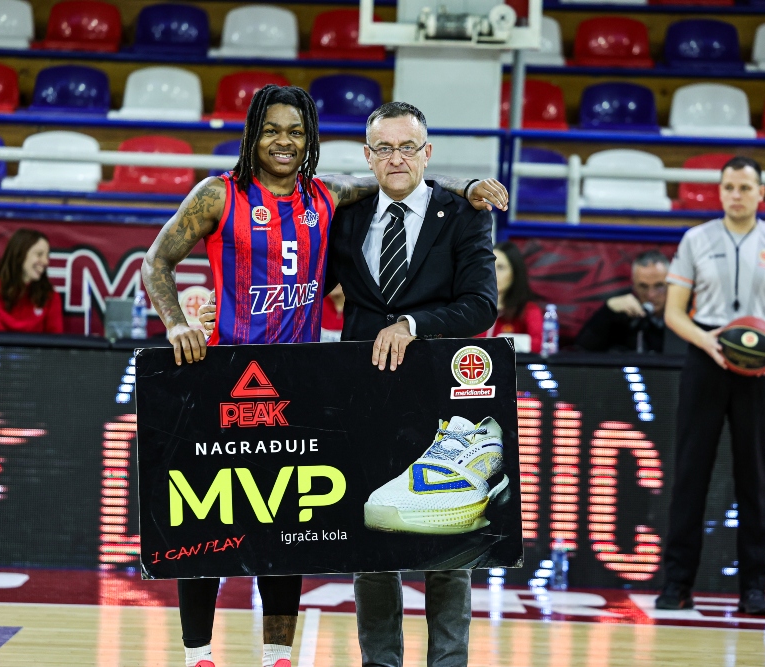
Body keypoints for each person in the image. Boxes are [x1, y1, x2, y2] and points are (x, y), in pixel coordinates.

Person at [140, 86, 508, 667]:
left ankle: (282, 657)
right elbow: (161, 260)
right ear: (253, 135)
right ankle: (201, 655)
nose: (283, 141)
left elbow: (408, 189)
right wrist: (182, 318)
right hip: (237, 374)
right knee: (211, 519)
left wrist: (465, 188)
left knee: (291, 522)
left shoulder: (333, 197)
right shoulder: (233, 195)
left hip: (323, 382)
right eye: (271, 129)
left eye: (295, 131)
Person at [324, 101, 499, 667]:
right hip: (363, 393)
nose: (395, 158)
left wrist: (413, 325)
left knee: (447, 542)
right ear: (368, 156)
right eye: (384, 148)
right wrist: (223, 308)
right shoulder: (345, 216)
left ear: (427, 153)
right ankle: (380, 661)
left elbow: (482, 305)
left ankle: (448, 663)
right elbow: (299, 286)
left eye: (407, 147)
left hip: (440, 397)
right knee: (373, 535)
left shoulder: (465, 214)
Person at [656, 157, 765, 615]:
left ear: (761, 193)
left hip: (757, 365)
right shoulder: (696, 239)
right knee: (691, 474)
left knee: (754, 477)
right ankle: (677, 583)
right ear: (719, 192)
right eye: (728, 187)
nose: (736, 195)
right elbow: (674, 312)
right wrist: (707, 340)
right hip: (706, 355)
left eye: (744, 187)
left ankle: (754, 588)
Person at [0, 228, 63, 333]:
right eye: (39, 254)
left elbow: (55, 340)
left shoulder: (50, 296)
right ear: (19, 255)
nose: (46, 262)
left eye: (47, 256)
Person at [574, 250, 669, 353]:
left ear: (670, 285)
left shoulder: (680, 316)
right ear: (634, 286)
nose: (651, 294)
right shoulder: (622, 317)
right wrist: (608, 312)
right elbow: (582, 349)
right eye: (643, 286)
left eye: (659, 286)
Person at [476, 241, 541, 353]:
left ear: (515, 273)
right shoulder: (474, 307)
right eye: (490, 266)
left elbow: (539, 346)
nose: (493, 273)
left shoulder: (528, 310)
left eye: (500, 267)